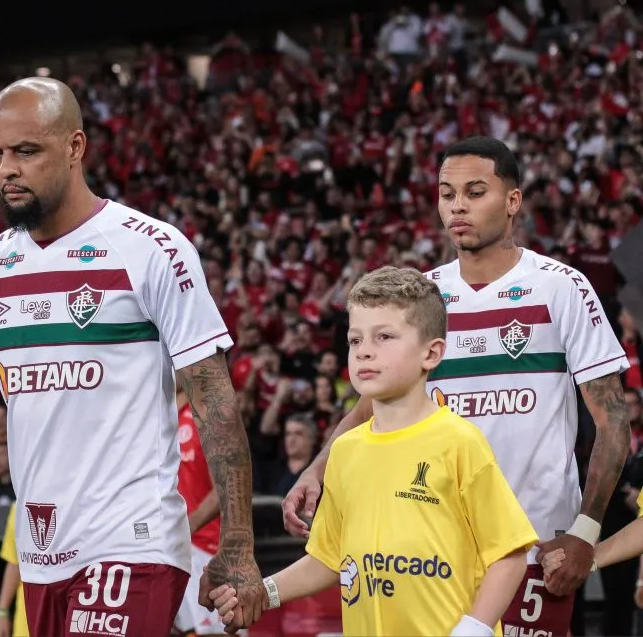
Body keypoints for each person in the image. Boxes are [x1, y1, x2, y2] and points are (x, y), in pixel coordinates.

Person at [0, 76, 264, 635]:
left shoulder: (149, 248)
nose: (7, 169)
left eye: (26, 151)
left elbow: (215, 405)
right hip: (40, 553)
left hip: (131, 540)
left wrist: (238, 545)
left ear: (75, 148)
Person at [283, 136, 631, 636]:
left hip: (532, 549)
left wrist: (585, 532)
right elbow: (368, 408)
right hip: (430, 548)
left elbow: (614, 420)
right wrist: (318, 468)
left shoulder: (561, 287)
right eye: (447, 194)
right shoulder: (424, 296)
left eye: (475, 192)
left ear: (512, 202)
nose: (458, 206)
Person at [211, 266, 538, 636]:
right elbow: (331, 559)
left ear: (431, 354)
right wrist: (263, 593)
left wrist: (472, 630)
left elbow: (509, 556)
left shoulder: (459, 441)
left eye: (384, 337)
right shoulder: (346, 451)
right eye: (355, 340)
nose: (365, 352)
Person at [172, 386, 224, 636]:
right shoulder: (156, 419)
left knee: (210, 632)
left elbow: (226, 486)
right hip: (165, 548)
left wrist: (185, 527)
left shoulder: (206, 416)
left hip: (204, 547)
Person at [0, 504, 30, 637]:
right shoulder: (19, 505)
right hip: (28, 610)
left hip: (69, 604)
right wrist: (2, 611)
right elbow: (14, 562)